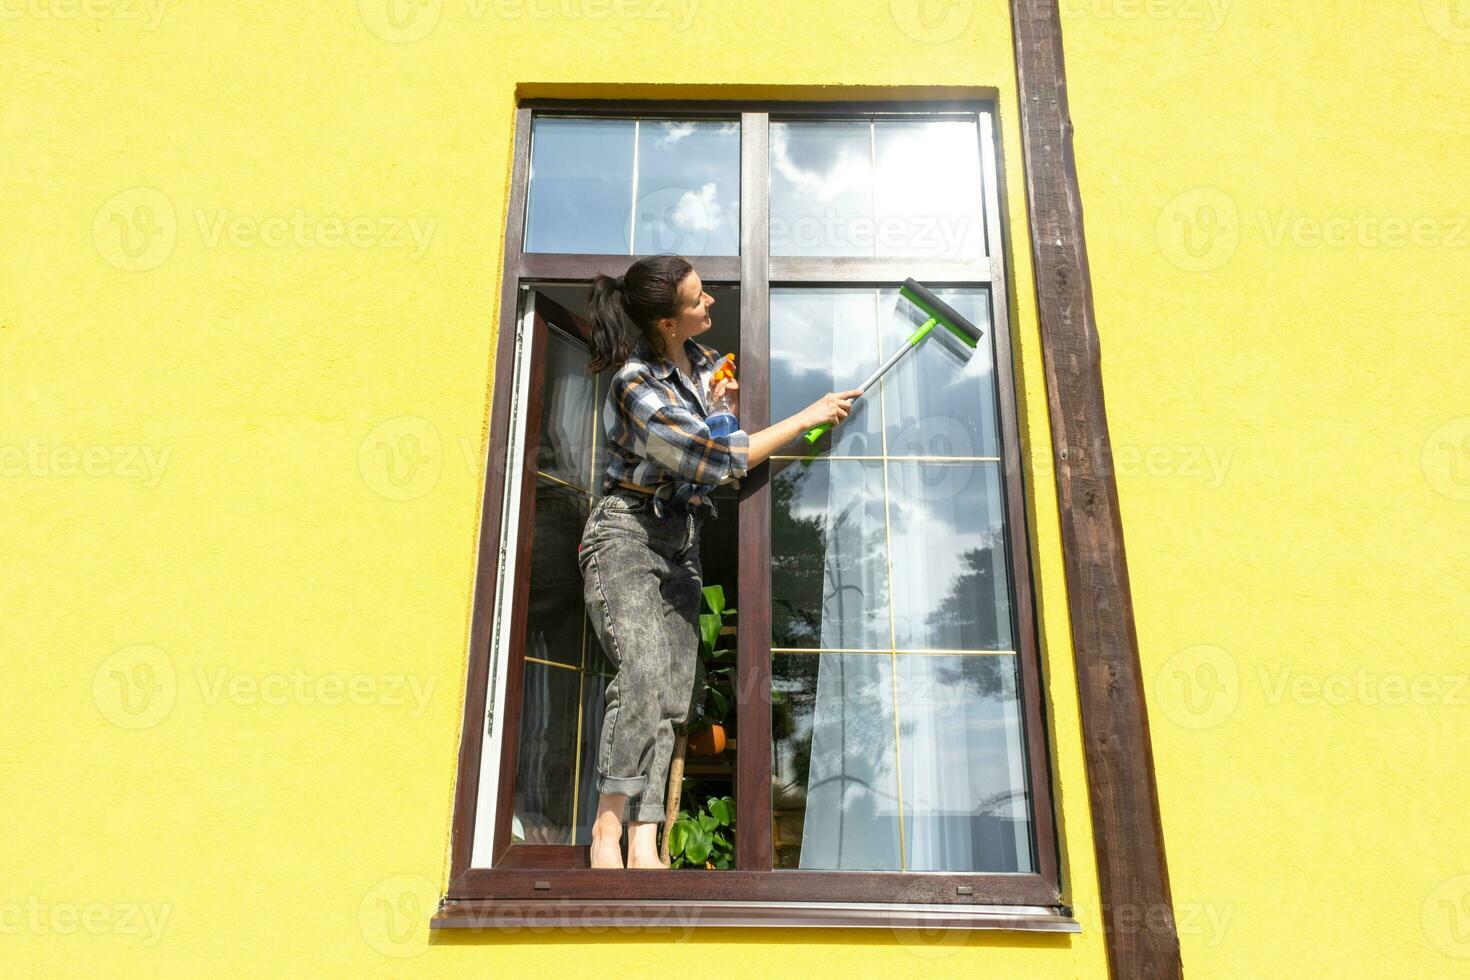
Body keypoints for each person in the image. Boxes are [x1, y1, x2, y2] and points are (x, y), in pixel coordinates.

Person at [577, 254, 862, 870]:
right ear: (666, 322)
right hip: (626, 533)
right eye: (699, 298)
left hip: (680, 538)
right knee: (645, 670)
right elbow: (714, 460)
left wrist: (721, 407)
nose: (712, 304)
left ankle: (646, 837)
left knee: (676, 690)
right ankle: (607, 826)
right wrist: (807, 415)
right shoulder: (634, 383)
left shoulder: (704, 367)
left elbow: (714, 459)